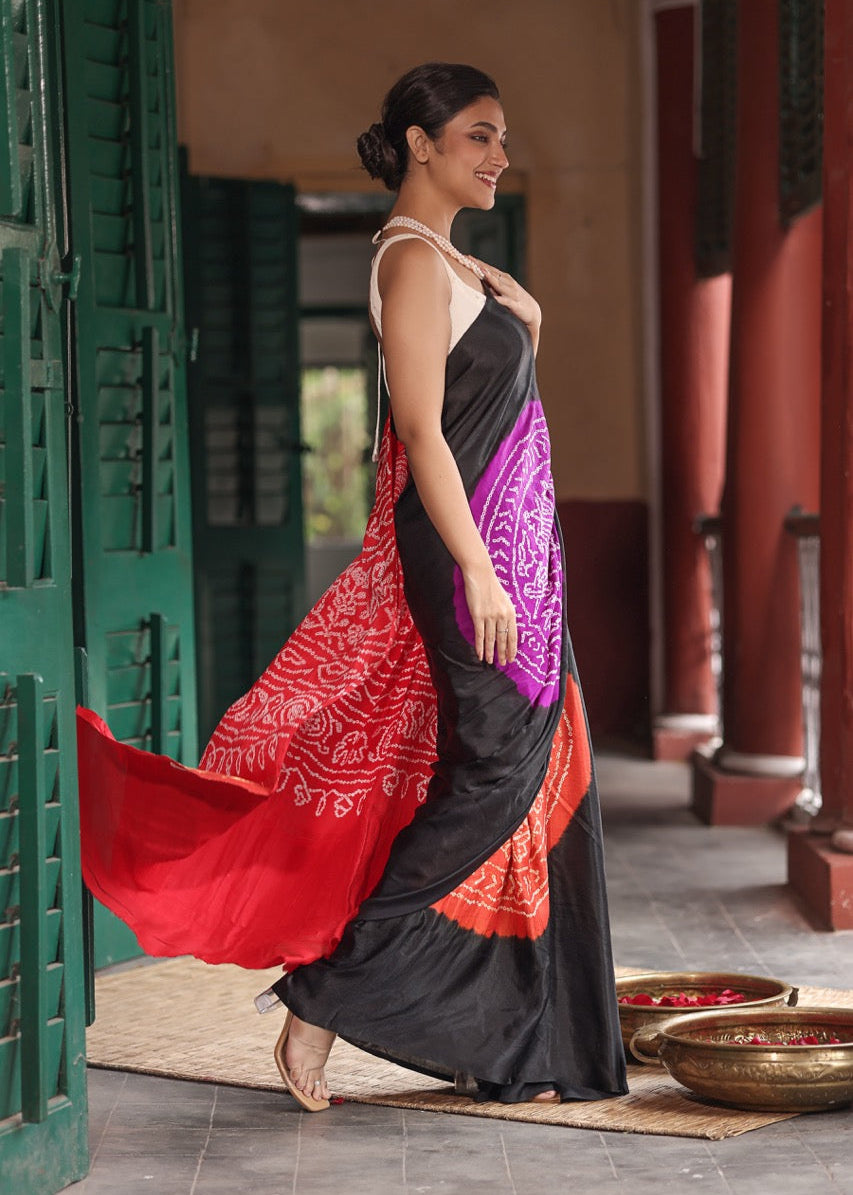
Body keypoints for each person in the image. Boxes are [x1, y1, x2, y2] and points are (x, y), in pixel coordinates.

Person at [76, 61, 627, 1113]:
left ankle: (517, 1037)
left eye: (499, 138)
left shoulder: (464, 271)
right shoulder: (410, 263)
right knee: (487, 784)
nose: (498, 156)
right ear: (419, 144)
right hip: (473, 564)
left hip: (521, 567)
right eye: (478, 136)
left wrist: (533, 329)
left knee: (540, 782)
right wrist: (472, 566)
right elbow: (423, 432)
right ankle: (323, 1004)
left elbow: (490, 414)